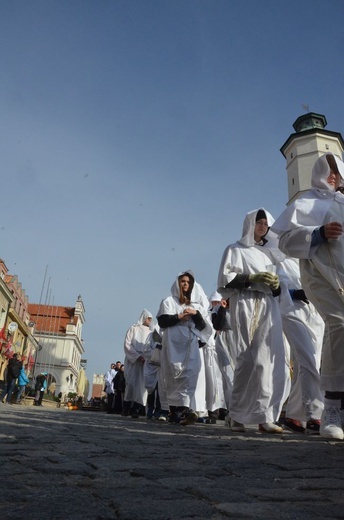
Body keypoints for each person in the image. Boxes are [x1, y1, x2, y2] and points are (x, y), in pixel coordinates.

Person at [272, 152, 344, 440]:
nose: (332, 175)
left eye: (337, 169)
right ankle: (332, 407)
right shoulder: (305, 203)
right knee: (339, 324)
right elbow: (287, 240)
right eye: (327, 169)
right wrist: (318, 233)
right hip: (321, 276)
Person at [217, 208, 288, 433]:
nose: (263, 226)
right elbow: (225, 279)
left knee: (265, 359)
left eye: (266, 223)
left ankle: (264, 415)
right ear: (250, 224)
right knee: (246, 359)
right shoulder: (235, 249)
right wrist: (251, 278)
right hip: (245, 302)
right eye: (259, 222)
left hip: (267, 304)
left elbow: (280, 286)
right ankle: (236, 414)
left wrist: (276, 286)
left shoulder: (271, 254)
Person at [157, 270, 213, 425]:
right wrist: (179, 316)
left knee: (191, 374)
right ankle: (175, 412)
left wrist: (195, 314)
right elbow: (162, 321)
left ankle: (185, 409)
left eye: (188, 282)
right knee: (173, 376)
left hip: (190, 344)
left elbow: (202, 326)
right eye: (183, 281)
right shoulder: (168, 301)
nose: (185, 285)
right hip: (173, 343)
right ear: (178, 283)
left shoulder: (196, 305)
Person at [277, 256, 325, 434]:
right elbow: (277, 290)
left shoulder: (314, 261)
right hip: (292, 311)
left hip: (315, 314)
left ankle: (294, 414)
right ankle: (315, 414)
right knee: (308, 360)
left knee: (305, 365)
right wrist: (296, 293)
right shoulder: (282, 262)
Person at [123, 309, 153, 418]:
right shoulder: (133, 328)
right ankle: (126, 408)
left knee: (142, 387)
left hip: (144, 362)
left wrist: (147, 358)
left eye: (151, 319)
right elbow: (127, 344)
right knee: (130, 384)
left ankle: (136, 409)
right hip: (133, 360)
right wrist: (137, 356)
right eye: (148, 318)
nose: (149, 320)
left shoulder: (151, 333)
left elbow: (151, 347)